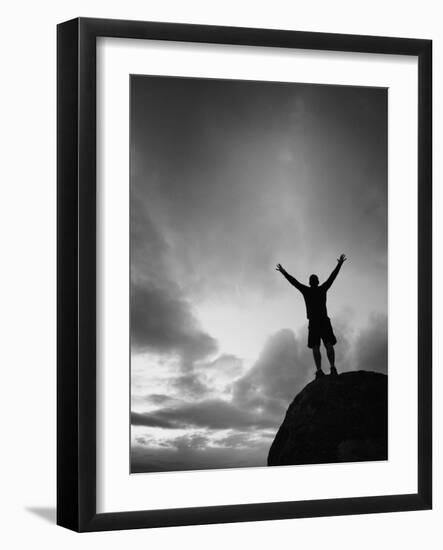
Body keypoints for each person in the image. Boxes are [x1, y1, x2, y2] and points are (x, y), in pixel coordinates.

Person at [276, 254, 347, 378]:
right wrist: (339, 264)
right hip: (324, 321)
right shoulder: (322, 288)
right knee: (328, 344)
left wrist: (283, 272)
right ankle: (333, 368)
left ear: (309, 283)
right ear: (318, 282)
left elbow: (294, 282)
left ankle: (319, 370)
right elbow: (332, 277)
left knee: (316, 347)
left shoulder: (306, 290)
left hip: (314, 322)